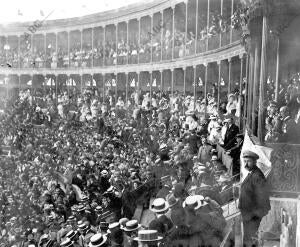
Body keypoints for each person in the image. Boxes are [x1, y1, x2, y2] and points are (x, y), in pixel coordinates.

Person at [238, 150, 271, 247]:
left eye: (248, 161)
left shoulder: (257, 176)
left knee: (250, 239)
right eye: (244, 161)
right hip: (248, 213)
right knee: (249, 238)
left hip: (252, 215)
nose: (246, 164)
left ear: (255, 162)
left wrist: (254, 215)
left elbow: (262, 197)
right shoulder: (251, 173)